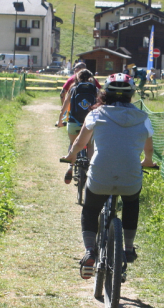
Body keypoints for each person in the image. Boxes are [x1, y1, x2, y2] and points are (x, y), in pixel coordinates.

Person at [61, 73, 156, 279]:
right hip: (130, 176)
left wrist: (71, 156)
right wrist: (147, 161)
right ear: (131, 94)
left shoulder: (96, 114)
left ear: (104, 93)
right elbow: (149, 148)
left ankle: (89, 251)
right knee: (132, 202)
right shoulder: (143, 118)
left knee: (90, 209)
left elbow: (79, 143)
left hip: (100, 176)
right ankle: (128, 247)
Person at [57, 69, 98, 184]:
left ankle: (71, 165)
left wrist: (60, 121)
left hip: (74, 122)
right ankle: (90, 170)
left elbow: (63, 109)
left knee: (72, 143)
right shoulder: (95, 89)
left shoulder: (73, 89)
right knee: (90, 146)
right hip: (90, 123)